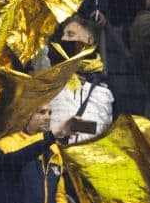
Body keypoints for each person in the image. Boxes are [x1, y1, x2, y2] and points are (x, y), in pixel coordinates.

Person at [49, 16, 114, 144]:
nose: (63, 39)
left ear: (89, 41)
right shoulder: (50, 81)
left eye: (70, 34)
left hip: (89, 158)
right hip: (54, 158)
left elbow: (101, 129)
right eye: (63, 34)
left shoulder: (103, 87)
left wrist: (74, 127)